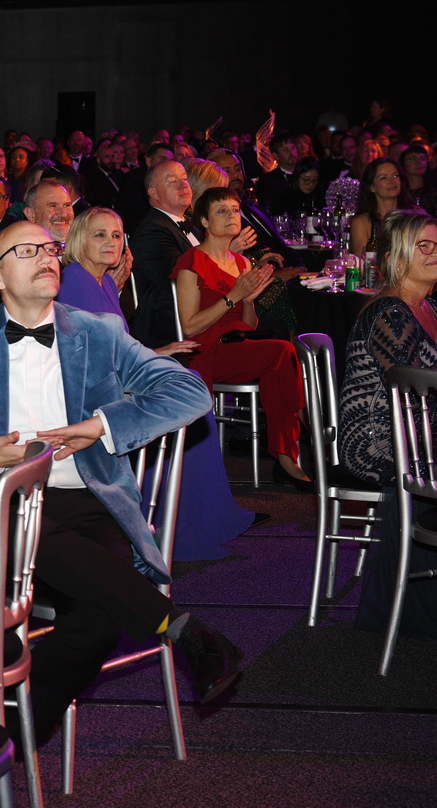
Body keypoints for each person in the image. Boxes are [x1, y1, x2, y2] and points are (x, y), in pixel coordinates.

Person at [0, 220, 240, 749]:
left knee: (100, 622)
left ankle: (9, 735)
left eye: (51, 248)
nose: (47, 257)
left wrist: (103, 425)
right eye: (26, 250)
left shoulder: (98, 331)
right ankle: (185, 629)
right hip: (0, 508)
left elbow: (188, 390)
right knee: (87, 581)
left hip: (87, 501)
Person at [59, 209, 254, 559]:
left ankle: (189, 517)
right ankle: (177, 523)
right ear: (78, 240)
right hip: (92, 394)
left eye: (117, 235)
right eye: (99, 235)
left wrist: (158, 351)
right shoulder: (76, 280)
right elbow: (91, 357)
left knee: (189, 385)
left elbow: (115, 346)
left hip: (110, 378)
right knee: (184, 396)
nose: (111, 242)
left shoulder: (101, 279)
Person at [338, 210, 437, 645]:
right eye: (424, 247)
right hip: (383, 442)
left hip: (426, 433)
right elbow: (424, 393)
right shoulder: (390, 312)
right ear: (395, 257)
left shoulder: (430, 307)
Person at [173, 188, 310, 488]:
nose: (231, 216)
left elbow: (248, 326)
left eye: (234, 210)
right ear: (204, 222)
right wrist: (234, 296)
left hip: (237, 347)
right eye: (221, 211)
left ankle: (288, 453)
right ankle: (302, 429)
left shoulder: (242, 263)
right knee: (282, 351)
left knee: (279, 360)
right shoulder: (192, 261)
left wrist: (248, 301)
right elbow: (190, 327)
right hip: (205, 351)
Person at [130, 160, 197, 348]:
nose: (184, 184)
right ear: (153, 193)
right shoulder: (152, 231)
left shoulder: (191, 226)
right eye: (172, 181)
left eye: (185, 179)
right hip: (172, 327)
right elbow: (180, 278)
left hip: (199, 315)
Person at [349, 159, 411, 259]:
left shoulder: (414, 215)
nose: (392, 181)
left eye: (395, 175)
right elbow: (362, 262)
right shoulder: (361, 222)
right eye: (384, 178)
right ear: (372, 187)